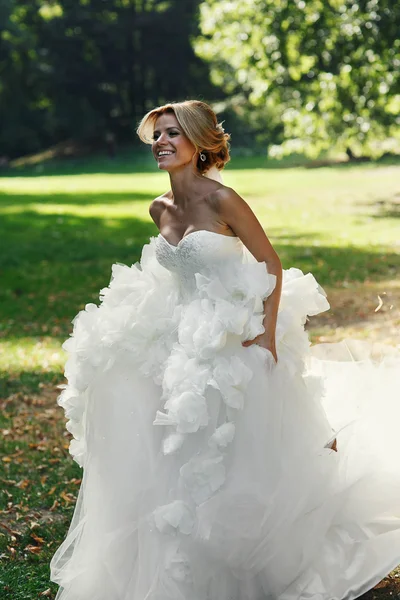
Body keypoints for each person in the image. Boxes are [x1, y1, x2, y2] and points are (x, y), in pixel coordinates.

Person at [50, 100, 400, 600]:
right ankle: (186, 549)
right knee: (171, 437)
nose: (162, 143)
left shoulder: (223, 200)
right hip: (183, 332)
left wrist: (267, 335)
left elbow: (271, 264)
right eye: (157, 135)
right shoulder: (159, 208)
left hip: (236, 330)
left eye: (173, 133)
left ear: (198, 146)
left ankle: (266, 551)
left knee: (248, 447)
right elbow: (179, 276)